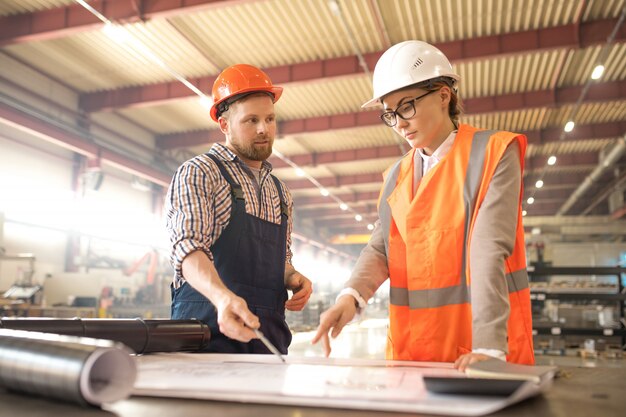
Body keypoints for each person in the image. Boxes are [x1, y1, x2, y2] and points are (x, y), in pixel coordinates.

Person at [312, 40, 534, 370]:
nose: (399, 122)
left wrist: (490, 348)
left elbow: (488, 247)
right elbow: (380, 249)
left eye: (407, 106)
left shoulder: (494, 154)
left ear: (444, 95)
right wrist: (350, 296)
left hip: (479, 349)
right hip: (411, 354)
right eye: (390, 113)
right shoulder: (396, 176)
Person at [165, 64, 313, 354]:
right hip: (206, 336)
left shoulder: (280, 193)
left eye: (270, 119)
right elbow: (188, 250)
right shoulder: (200, 173)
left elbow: (278, 259)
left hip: (268, 340)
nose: (264, 129)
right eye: (251, 120)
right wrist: (222, 298)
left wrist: (292, 277)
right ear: (224, 124)